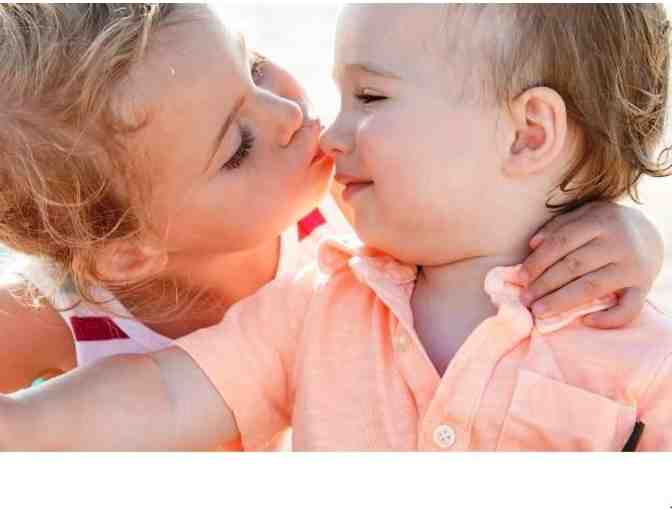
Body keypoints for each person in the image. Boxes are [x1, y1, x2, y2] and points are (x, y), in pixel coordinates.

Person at [1, 4, 669, 451]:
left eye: (255, 66)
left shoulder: (351, 235)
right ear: (129, 253)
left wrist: (621, 223)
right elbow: (161, 394)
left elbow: (489, 189)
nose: (305, 120)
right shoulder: (316, 300)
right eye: (237, 146)